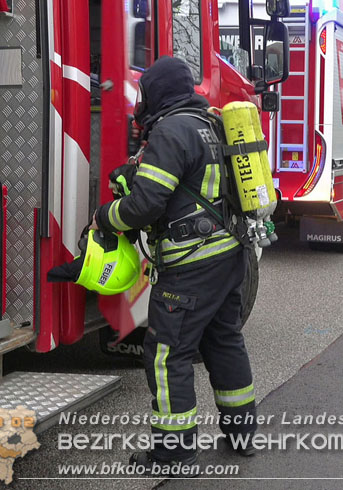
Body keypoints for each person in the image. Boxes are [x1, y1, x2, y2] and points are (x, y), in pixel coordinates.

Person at [91, 56, 257, 470]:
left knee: (167, 354)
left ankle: (173, 451)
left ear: (158, 93)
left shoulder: (171, 131)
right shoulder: (211, 123)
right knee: (224, 340)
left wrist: (104, 217)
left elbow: (145, 205)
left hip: (191, 265)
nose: (140, 103)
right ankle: (242, 433)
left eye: (144, 93)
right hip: (229, 255)